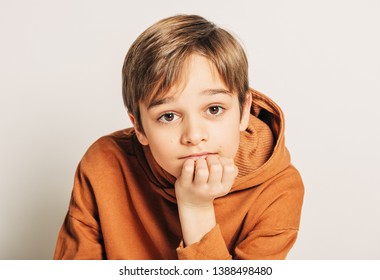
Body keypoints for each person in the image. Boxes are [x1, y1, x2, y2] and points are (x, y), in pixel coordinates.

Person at [54, 14, 304, 260]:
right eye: (169, 116)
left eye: (214, 109)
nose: (194, 136)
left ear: (243, 112)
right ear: (139, 127)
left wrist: (196, 208)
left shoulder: (280, 189)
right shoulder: (104, 164)